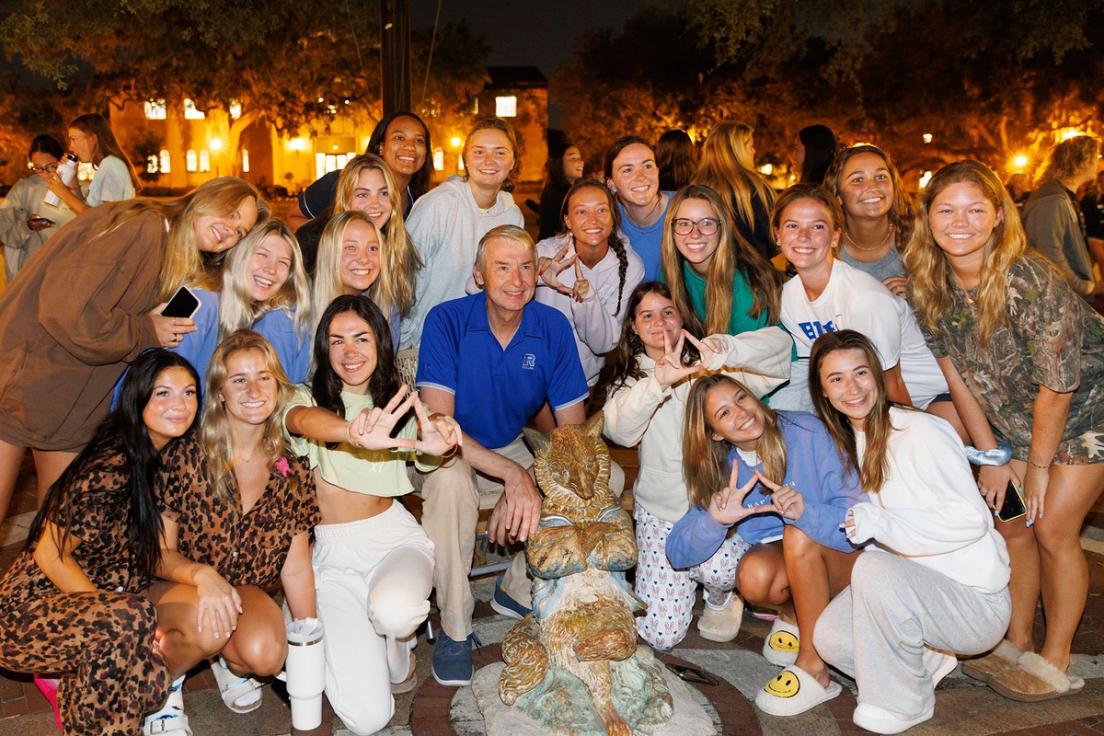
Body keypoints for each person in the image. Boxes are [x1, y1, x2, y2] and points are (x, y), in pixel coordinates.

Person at [903, 159, 1104, 702]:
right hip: (1016, 425)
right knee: (1011, 522)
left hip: (1087, 413)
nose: (959, 221)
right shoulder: (928, 283)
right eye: (946, 209)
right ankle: (1015, 639)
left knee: (1052, 528)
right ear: (928, 218)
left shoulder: (1031, 278)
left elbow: (1059, 387)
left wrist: (1035, 467)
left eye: (974, 209)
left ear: (997, 216)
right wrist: (992, 457)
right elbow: (956, 375)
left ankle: (1055, 657)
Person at [0, 177, 265, 525]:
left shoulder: (170, 251)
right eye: (230, 214)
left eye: (241, 232)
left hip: (71, 403)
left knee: (57, 535)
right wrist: (144, 330)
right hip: (28, 380)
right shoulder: (142, 226)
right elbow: (68, 311)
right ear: (203, 198)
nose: (230, 230)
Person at [809, 329, 1011, 734]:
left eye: (861, 373)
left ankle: (904, 702)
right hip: (924, 589)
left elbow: (971, 521)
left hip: (974, 603)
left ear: (878, 376)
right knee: (830, 638)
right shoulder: (858, 437)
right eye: (837, 379)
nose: (852, 387)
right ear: (824, 393)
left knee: (871, 568)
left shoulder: (920, 432)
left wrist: (880, 525)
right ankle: (924, 662)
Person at [416, 224, 589, 687]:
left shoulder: (552, 327)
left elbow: (572, 434)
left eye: (527, 267)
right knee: (452, 484)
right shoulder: (446, 320)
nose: (517, 279)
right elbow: (441, 429)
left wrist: (528, 478)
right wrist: (515, 476)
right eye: (503, 267)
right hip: (447, 448)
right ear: (478, 275)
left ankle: (515, 586)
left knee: (599, 482)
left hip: (508, 444)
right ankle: (455, 628)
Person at [283, 294, 459, 734]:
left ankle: (398, 649)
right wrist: (351, 433)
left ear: (380, 342)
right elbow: (299, 420)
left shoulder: (398, 403)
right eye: (337, 340)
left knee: (395, 612)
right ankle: (353, 633)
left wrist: (441, 440)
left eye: (361, 338)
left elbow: (428, 450)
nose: (349, 351)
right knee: (368, 720)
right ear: (324, 347)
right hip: (333, 557)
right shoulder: (305, 396)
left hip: (392, 538)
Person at [0, 350, 198, 735]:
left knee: (151, 678)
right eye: (163, 394)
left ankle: (83, 704)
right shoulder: (113, 465)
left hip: (78, 609)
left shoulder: (162, 458)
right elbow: (48, 553)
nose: (179, 404)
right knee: (131, 621)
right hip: (24, 614)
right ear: (137, 399)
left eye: (189, 393)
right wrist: (113, 620)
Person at [599, 281, 792, 651]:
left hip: (715, 509)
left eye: (668, 312)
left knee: (719, 568)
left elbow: (781, 356)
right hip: (661, 514)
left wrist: (726, 348)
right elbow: (619, 431)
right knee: (659, 636)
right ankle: (683, 579)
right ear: (634, 329)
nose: (660, 323)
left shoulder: (710, 366)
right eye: (648, 316)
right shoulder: (632, 378)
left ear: (682, 317)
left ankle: (719, 596)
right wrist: (659, 380)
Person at [143, 330, 319, 734]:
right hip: (172, 586)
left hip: (242, 591)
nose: (254, 389)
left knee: (267, 654)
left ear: (278, 385)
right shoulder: (184, 457)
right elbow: (157, 555)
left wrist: (310, 637)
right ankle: (161, 686)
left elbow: (295, 570)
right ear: (220, 392)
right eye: (239, 379)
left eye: (264, 377)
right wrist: (204, 576)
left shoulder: (292, 471)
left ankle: (224, 659)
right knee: (208, 624)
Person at [665, 373, 865, 717]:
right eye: (724, 414)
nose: (741, 413)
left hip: (846, 555)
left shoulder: (807, 432)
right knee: (754, 574)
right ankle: (794, 615)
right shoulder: (724, 467)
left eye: (741, 398)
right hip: (791, 561)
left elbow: (860, 518)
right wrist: (716, 520)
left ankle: (815, 668)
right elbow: (677, 552)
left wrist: (805, 512)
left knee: (796, 533)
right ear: (715, 433)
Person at [768, 184, 951, 424]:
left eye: (818, 226)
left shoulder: (864, 298)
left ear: (835, 237)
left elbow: (892, 384)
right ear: (778, 235)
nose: (804, 236)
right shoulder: (788, 297)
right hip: (864, 399)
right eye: (793, 226)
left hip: (929, 398)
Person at [401, 118, 523, 350]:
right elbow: (403, 275)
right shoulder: (439, 204)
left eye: (499, 153)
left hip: (477, 344)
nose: (489, 161)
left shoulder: (512, 216)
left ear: (512, 162)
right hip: (422, 344)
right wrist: (404, 340)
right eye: (479, 152)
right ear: (465, 159)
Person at [534, 178, 644, 384]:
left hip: (584, 376)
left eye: (601, 210)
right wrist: (534, 275)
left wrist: (588, 300)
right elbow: (481, 286)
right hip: (537, 370)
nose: (593, 220)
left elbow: (603, 344)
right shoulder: (545, 252)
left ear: (613, 218)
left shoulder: (630, 266)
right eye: (581, 212)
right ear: (567, 221)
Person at [660, 183, 782, 341]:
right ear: (672, 230)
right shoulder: (671, 273)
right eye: (684, 223)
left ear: (722, 228)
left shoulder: (744, 283)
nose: (695, 234)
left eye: (706, 223)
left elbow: (758, 359)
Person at [288, 111, 432, 228]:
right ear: (381, 146)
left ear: (425, 154)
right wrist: (335, 242)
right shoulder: (340, 182)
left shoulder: (421, 202)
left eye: (419, 140)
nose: (410, 146)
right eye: (399, 137)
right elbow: (293, 218)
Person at [295, 153, 421, 285]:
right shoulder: (312, 246)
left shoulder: (399, 245)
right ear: (345, 199)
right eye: (362, 194)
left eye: (384, 193)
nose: (375, 204)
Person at [312, 210, 410, 352]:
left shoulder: (386, 311)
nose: (364, 258)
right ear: (330, 253)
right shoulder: (297, 317)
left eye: (372, 248)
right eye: (351, 248)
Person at [825, 144, 914, 297]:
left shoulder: (919, 241)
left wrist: (917, 295)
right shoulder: (824, 248)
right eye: (858, 179)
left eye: (881, 177)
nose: (872, 186)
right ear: (837, 195)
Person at [1023, 134, 1101, 299]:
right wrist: (1081, 286)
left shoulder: (1063, 196)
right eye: (1096, 158)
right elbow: (1048, 253)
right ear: (1084, 161)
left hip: (1064, 295)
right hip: (1059, 298)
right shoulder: (1052, 199)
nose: (1098, 164)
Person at [693, 121, 776, 261]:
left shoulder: (695, 187)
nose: (754, 151)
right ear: (738, 151)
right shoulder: (756, 188)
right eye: (750, 146)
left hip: (709, 271)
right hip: (754, 272)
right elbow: (772, 237)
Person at [0, 134, 73, 283]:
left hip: (69, 268)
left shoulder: (75, 187)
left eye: (51, 167)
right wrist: (27, 226)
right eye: (38, 168)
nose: (45, 174)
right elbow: (4, 229)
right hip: (35, 270)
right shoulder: (24, 188)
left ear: (61, 161)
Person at [604, 136, 672, 281]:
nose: (641, 177)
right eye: (627, 170)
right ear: (611, 183)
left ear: (658, 171)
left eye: (647, 166)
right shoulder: (606, 221)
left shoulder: (686, 208)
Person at [44, 113, 138, 215]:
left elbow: (105, 218)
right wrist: (73, 179)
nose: (71, 147)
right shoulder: (106, 166)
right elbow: (85, 216)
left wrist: (64, 193)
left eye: (74, 139)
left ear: (93, 139)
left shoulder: (112, 165)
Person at [537, 141, 585, 240]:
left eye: (580, 158)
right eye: (573, 158)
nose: (580, 162)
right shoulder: (556, 195)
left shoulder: (575, 191)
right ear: (559, 163)